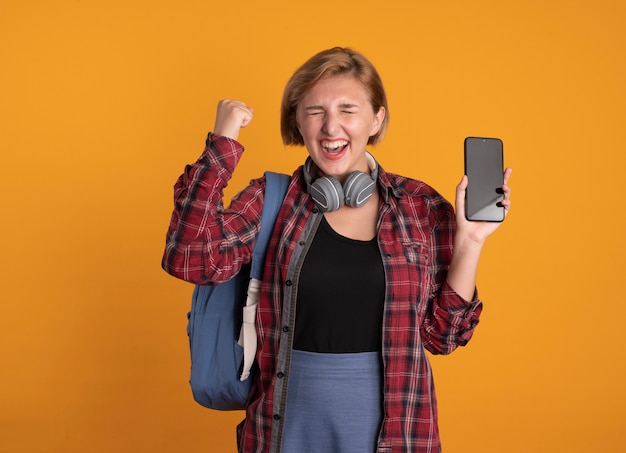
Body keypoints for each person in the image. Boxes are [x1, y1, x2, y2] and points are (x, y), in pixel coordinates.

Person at [162, 47, 512, 453]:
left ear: (376, 118)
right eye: (314, 111)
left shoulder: (421, 206)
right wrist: (222, 145)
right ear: (297, 120)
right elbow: (188, 257)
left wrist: (470, 242)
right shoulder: (271, 200)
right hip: (283, 431)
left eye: (348, 109)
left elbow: (443, 336)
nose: (331, 127)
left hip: (397, 433)